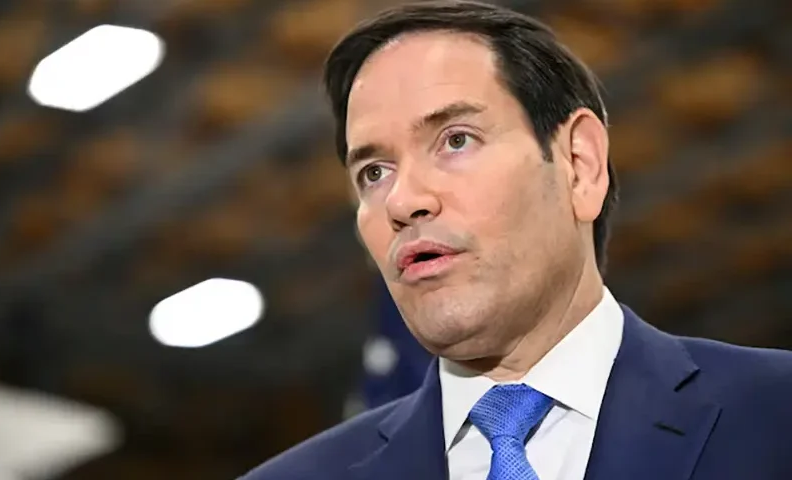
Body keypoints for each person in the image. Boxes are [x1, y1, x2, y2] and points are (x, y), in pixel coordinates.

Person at [240, 1, 792, 479]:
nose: (404, 201)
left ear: (579, 165)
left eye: (456, 140)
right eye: (374, 173)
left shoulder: (774, 416)